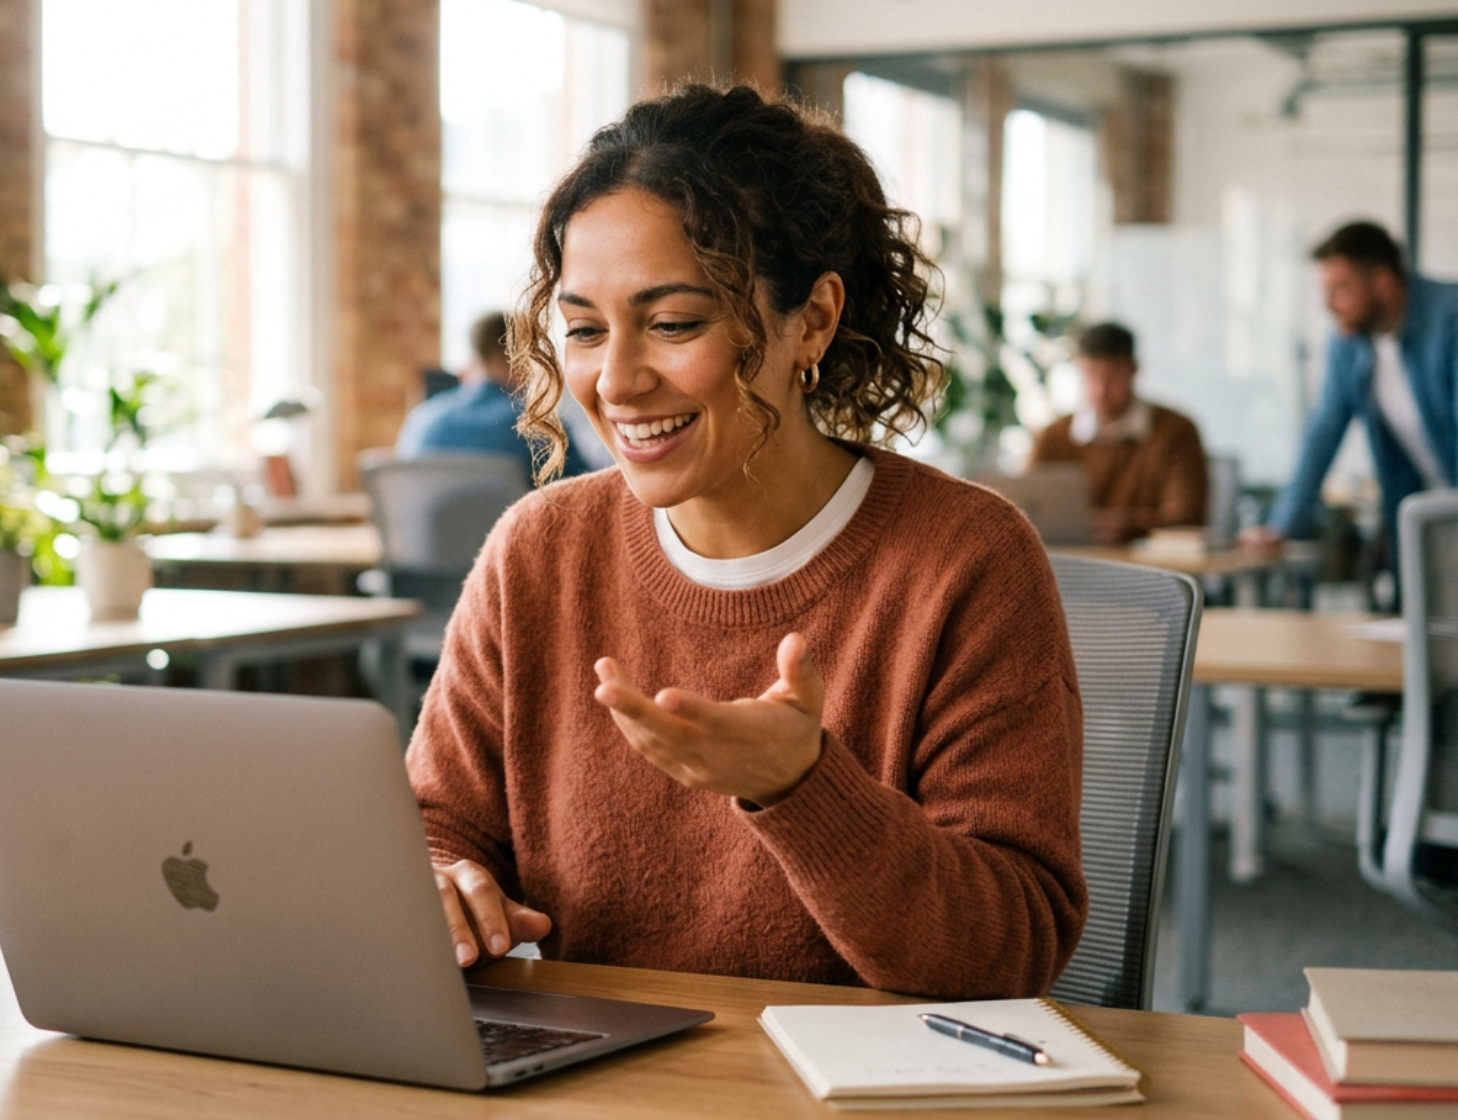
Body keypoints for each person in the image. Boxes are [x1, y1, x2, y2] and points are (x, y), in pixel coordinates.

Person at [406, 85, 1087, 1001]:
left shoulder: (964, 559)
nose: (616, 381)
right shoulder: (538, 550)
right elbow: (433, 827)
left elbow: (1007, 955)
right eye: (583, 329)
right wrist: (443, 886)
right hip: (596, 1086)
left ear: (811, 319)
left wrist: (804, 789)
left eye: (674, 323)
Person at [1244, 222, 1458, 560]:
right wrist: (1280, 527)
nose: (1328, 305)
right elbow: (1323, 430)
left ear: (1383, 282)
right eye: (1325, 291)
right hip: (1425, 515)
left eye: (1340, 289)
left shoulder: (1450, 318)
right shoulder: (1350, 342)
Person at [1028, 322, 1209, 544]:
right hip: (1070, 567)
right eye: (1091, 376)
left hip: (1150, 570)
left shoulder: (1176, 431)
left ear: (1133, 370)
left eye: (1111, 377)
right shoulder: (1054, 436)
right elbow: (1028, 508)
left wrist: (1128, 526)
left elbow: (1188, 517)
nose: (1101, 391)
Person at [395, 310, 588, 481]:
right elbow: (583, 489)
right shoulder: (539, 427)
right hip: (510, 522)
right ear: (520, 359)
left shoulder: (421, 419)